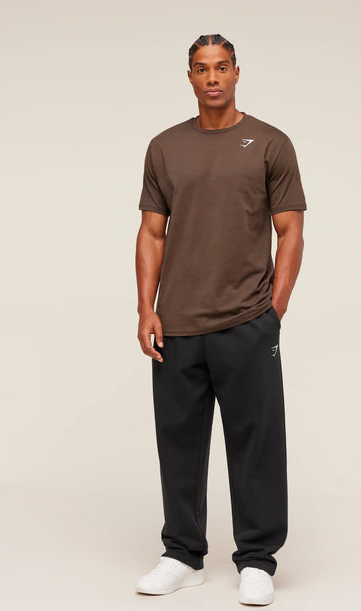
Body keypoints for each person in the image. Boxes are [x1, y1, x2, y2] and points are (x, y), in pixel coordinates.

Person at [134, 33, 307, 606]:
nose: (212, 77)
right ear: (190, 76)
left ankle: (257, 560)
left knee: (256, 442)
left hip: (246, 320)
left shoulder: (271, 143)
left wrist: (273, 310)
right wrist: (146, 308)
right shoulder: (164, 147)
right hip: (177, 325)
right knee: (178, 443)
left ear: (236, 73)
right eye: (202, 68)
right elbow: (152, 233)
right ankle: (183, 555)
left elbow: (290, 231)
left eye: (222, 67)